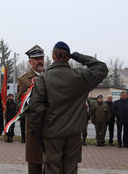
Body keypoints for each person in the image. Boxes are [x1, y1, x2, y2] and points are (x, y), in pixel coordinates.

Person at [29, 41, 108, 174]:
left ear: (53, 56)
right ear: (68, 57)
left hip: (52, 134)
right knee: (71, 169)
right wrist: (77, 56)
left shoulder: (43, 79)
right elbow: (101, 68)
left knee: (52, 169)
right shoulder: (80, 76)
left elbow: (37, 109)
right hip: (74, 134)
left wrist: (36, 132)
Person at [17, 45, 45, 174]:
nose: (40, 61)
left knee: (51, 163)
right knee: (35, 163)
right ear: (30, 61)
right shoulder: (23, 80)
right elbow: (19, 104)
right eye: (36, 59)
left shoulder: (50, 76)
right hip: (33, 127)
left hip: (51, 126)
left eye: (41, 58)